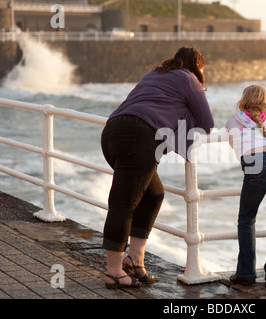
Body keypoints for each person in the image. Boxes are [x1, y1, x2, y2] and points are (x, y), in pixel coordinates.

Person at [101, 47, 214, 288]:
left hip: (112, 132)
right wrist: (183, 123)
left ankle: (135, 259)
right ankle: (113, 272)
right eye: (202, 67)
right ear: (196, 65)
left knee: (153, 195)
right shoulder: (188, 78)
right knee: (123, 204)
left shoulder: (154, 73)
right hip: (138, 137)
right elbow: (206, 123)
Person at [226, 85, 266, 287]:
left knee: (246, 219)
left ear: (243, 100)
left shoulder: (233, 121)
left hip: (256, 164)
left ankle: (246, 274)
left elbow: (234, 146)